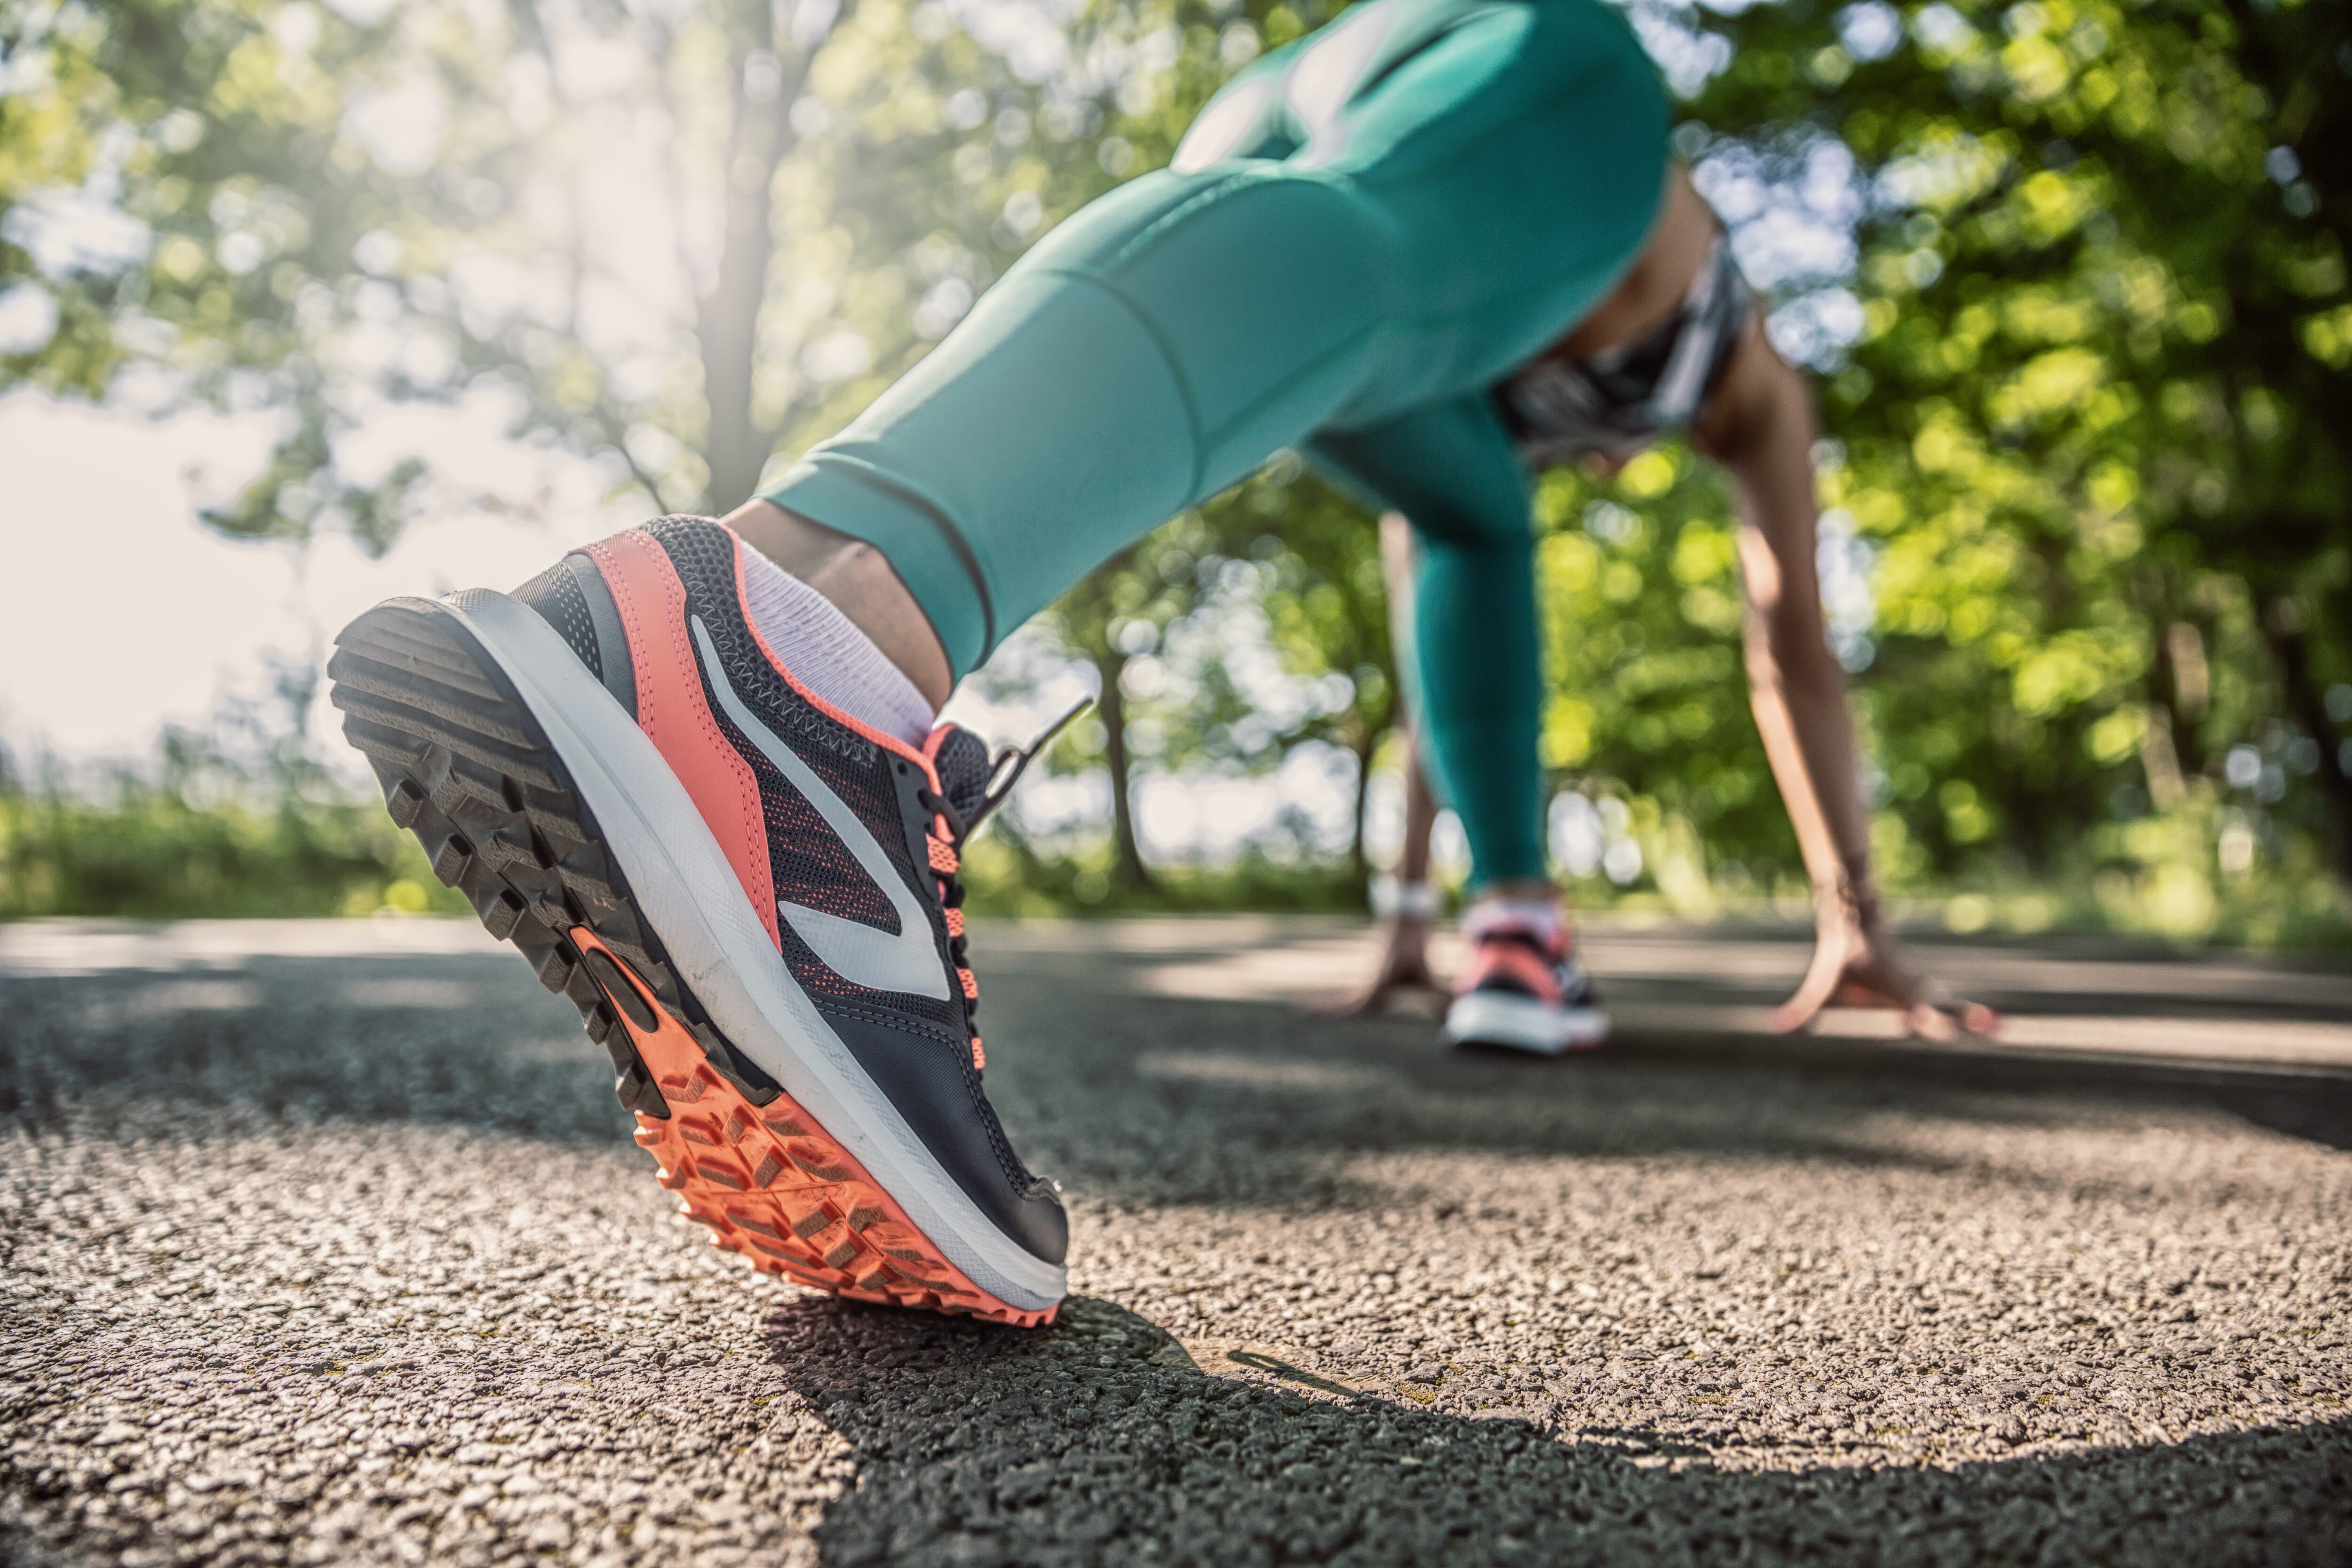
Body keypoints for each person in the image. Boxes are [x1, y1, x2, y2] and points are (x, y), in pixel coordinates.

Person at [328, 0, 1968, 1329]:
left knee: (1473, 520)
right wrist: (1856, 919)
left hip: (1269, 133)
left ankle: (1512, 933)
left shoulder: (1472, 368)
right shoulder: (1747, 375)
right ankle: (794, 641)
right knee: (1383, 260)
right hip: (1543, 68)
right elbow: (1794, 652)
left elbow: (1435, 657)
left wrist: (1414, 914)